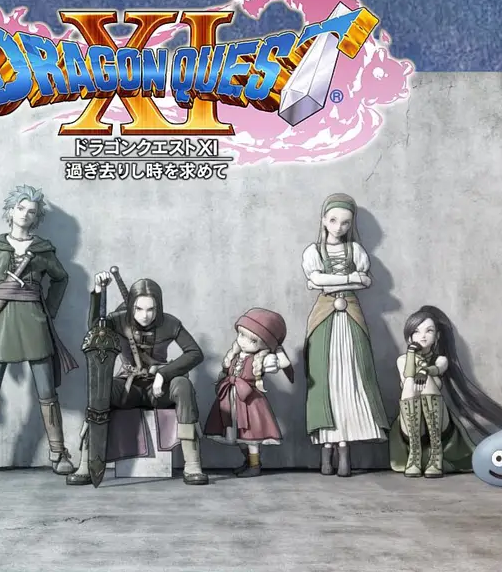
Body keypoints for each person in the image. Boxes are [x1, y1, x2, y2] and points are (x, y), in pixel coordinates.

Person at [0, 184, 77, 474]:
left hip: (34, 321)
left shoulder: (42, 250)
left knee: (47, 391)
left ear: (37, 217)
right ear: (11, 211)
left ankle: (58, 453)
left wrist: (48, 309)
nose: (25, 214)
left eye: (32, 211)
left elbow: (60, 278)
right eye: (21, 208)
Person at [68, 270, 208, 485]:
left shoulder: (170, 323)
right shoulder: (117, 320)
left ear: (158, 307)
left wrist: (164, 374)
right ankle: (87, 463)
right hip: (128, 387)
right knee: (100, 388)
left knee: (183, 385)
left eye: (151, 309)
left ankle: (193, 464)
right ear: (131, 305)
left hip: (158, 390)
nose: (145, 315)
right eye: (139, 309)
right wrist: (98, 291)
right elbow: (95, 330)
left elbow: (195, 353)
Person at [300, 192, 388, 476]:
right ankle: (326, 452)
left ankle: (344, 451)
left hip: (350, 319)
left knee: (352, 377)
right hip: (324, 318)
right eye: (333, 220)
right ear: (324, 220)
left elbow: (365, 280)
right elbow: (315, 279)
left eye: (345, 223)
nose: (338, 227)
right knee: (324, 380)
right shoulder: (314, 251)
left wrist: (332, 282)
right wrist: (350, 279)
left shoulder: (356, 251)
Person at [390, 304, 502, 477]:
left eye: (429, 331)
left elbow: (437, 369)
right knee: (409, 382)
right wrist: (411, 354)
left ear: (437, 336)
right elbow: (408, 375)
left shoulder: (441, 360)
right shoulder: (402, 360)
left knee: (427, 380)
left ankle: (436, 455)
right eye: (416, 331)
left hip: (438, 425)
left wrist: (425, 371)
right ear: (409, 337)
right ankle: (414, 455)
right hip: (411, 427)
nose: (422, 336)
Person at [205, 307, 290, 473]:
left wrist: (277, 348)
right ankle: (248, 462)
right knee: (237, 435)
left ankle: (254, 466)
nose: (243, 341)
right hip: (231, 399)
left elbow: (284, 363)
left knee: (251, 436)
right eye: (241, 335)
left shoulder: (262, 359)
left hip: (250, 401)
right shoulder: (235, 355)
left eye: (252, 340)